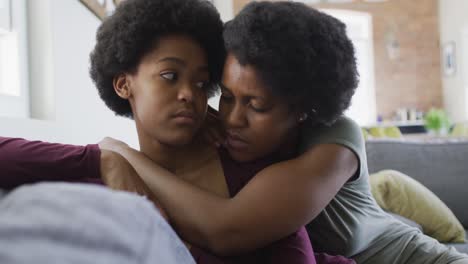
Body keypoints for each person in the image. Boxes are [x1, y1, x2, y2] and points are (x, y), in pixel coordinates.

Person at [101, 2, 468, 264]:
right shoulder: (223, 136)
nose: (232, 119)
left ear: (303, 112)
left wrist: (116, 151)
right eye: (226, 97)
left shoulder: (336, 141)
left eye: (256, 106)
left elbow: (227, 230)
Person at [0, 0, 330, 263]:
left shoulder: (246, 167)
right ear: (123, 84)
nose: (190, 94)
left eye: (202, 83)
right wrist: (101, 161)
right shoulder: (109, 173)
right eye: (170, 76)